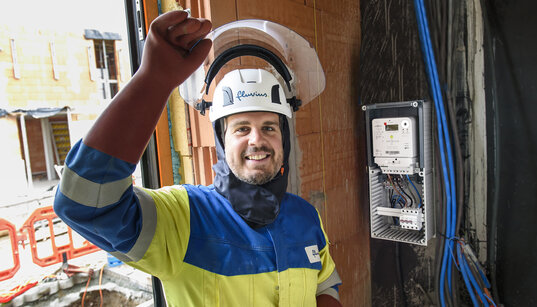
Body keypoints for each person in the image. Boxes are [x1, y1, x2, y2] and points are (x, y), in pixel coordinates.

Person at [54, 10, 342, 306]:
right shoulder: (183, 219)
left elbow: (324, 287)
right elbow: (85, 206)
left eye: (269, 127)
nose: (257, 139)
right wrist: (152, 81)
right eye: (241, 128)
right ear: (220, 141)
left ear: (284, 139)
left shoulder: (306, 217)